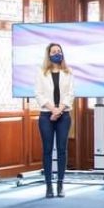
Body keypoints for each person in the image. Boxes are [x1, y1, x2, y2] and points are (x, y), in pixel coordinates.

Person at [34, 43, 74, 198]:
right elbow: (38, 94)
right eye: (53, 51)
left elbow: (71, 94)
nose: (57, 53)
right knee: (47, 150)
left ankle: (60, 185)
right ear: (48, 54)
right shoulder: (41, 72)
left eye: (59, 51)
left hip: (64, 115)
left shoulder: (68, 72)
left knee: (62, 150)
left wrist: (59, 110)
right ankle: (49, 186)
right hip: (46, 115)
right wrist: (52, 109)